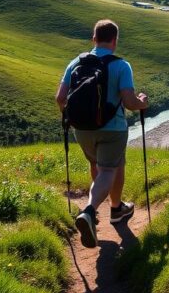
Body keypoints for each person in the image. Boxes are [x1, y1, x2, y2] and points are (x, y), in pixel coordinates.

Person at [55, 19, 149, 248]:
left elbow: (60, 99)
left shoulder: (75, 62)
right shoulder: (121, 66)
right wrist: (143, 103)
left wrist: (75, 117)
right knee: (110, 168)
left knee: (98, 164)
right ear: (115, 40)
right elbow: (128, 102)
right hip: (113, 129)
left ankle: (114, 208)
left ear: (93, 38)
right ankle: (92, 211)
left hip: (82, 129)